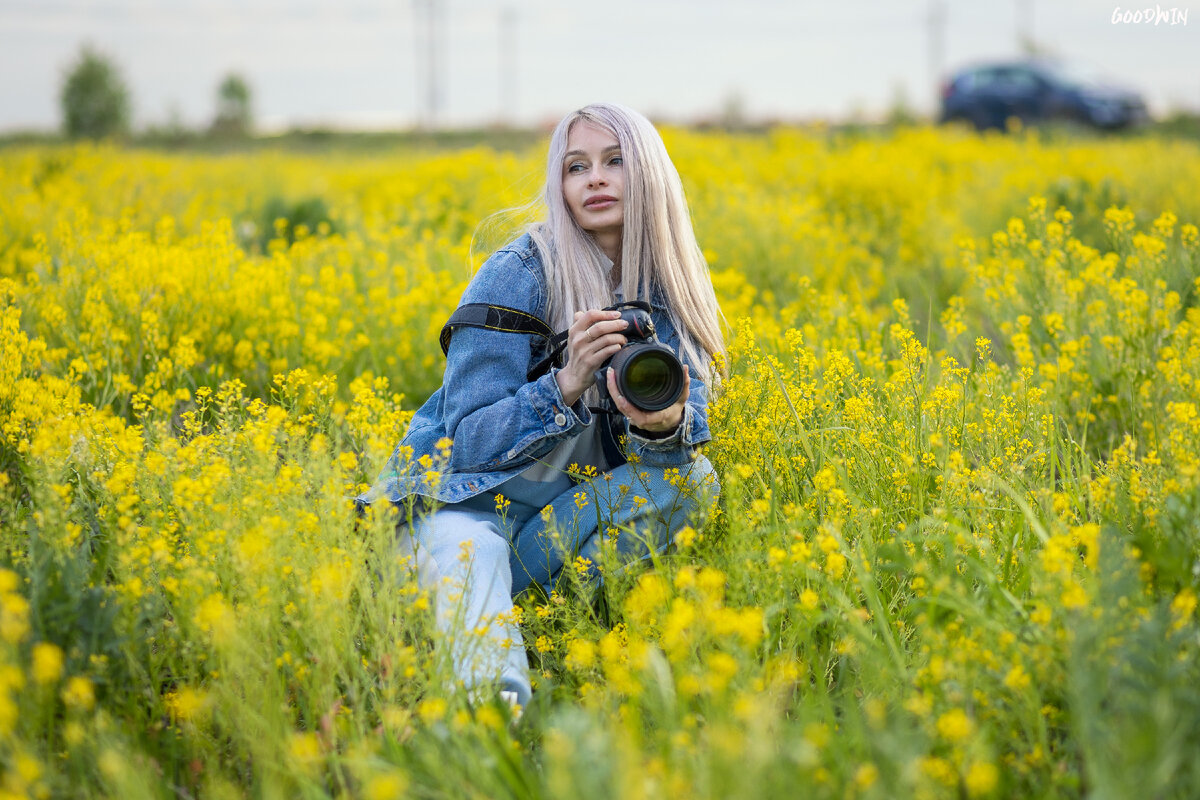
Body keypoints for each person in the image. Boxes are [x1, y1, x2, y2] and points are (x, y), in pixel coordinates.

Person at [358, 102, 725, 710]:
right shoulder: (519, 272)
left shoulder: (673, 288)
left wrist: (661, 430)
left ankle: (538, 627)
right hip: (459, 509)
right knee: (475, 552)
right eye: (576, 166)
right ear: (560, 185)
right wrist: (566, 382)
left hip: (549, 526)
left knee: (693, 481)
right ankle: (487, 717)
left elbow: (676, 449)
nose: (595, 179)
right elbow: (465, 442)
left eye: (615, 161)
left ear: (651, 174)